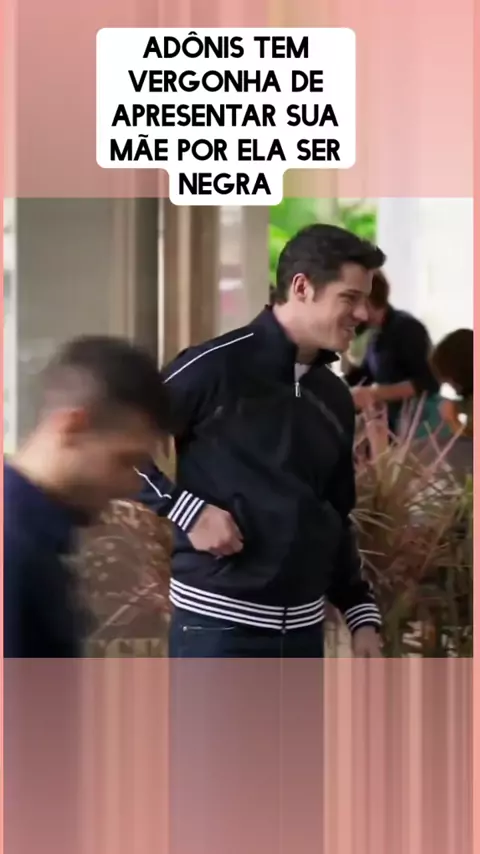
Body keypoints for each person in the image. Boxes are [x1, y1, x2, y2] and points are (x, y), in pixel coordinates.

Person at [137, 223, 386, 658]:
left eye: (364, 299)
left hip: (304, 637)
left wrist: (358, 609)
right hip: (217, 632)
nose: (363, 314)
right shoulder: (213, 367)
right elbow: (113, 442)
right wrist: (187, 512)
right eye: (350, 297)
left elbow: (333, 512)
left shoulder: (333, 396)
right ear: (302, 287)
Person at [4, 336, 174, 658]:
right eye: (125, 461)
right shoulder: (12, 549)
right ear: (72, 427)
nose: (133, 487)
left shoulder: (40, 538)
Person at [345, 270, 440, 435]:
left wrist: (375, 393)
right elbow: (363, 377)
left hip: (416, 431)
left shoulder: (407, 328)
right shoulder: (376, 334)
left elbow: (427, 382)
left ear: (367, 301)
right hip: (389, 426)